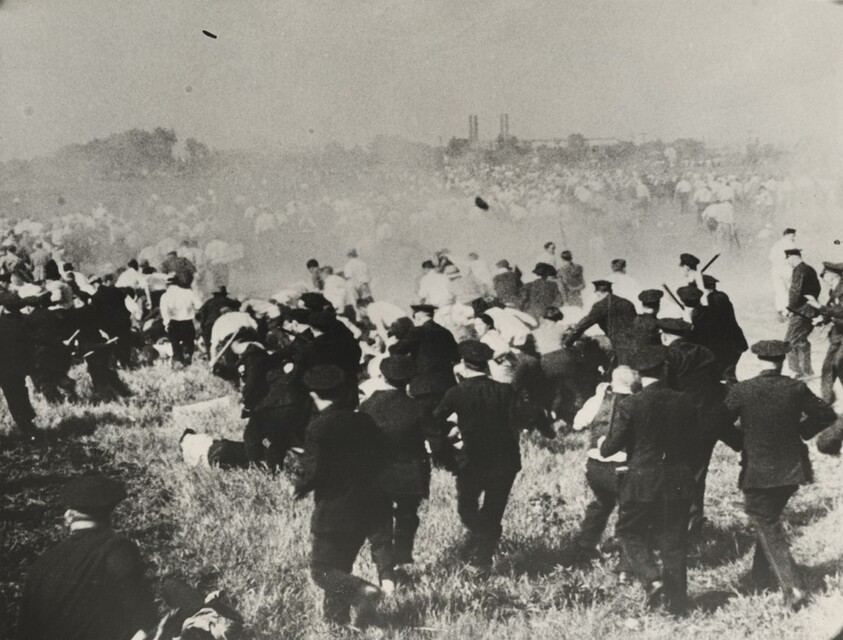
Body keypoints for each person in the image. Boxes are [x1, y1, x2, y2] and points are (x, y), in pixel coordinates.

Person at [723, 340, 836, 610]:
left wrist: (739, 441)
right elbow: (826, 414)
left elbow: (718, 422)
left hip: (758, 471)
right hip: (792, 471)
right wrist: (802, 432)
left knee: (766, 521)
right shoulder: (796, 388)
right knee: (768, 517)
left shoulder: (742, 390)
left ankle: (793, 586)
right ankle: (761, 577)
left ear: (759, 360)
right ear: (782, 360)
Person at [600, 345, 697, 614]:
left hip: (641, 480)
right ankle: (677, 606)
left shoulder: (631, 403)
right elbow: (694, 439)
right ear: (664, 369)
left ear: (640, 375)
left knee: (629, 532)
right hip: (678, 479)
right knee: (674, 542)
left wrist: (604, 445)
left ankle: (652, 579)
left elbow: (611, 446)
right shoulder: (685, 400)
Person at [294, 365, 387, 626]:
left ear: (314, 395)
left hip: (334, 508)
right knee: (340, 566)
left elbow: (311, 472)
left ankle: (361, 591)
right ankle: (337, 623)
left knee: (321, 570)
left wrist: (298, 485)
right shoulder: (365, 421)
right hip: (366, 506)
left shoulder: (318, 428)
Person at [19, 474, 158, 640]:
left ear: (68, 516)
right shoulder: (117, 548)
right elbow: (143, 617)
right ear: (109, 515)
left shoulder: (40, 565)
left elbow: (25, 631)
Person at [433, 340, 521, 573]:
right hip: (505, 460)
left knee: (467, 509)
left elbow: (435, 420)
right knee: (493, 508)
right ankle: (482, 557)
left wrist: (449, 439)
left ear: (463, 364)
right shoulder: (505, 390)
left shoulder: (456, 393)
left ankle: (484, 541)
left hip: (473, 460)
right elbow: (520, 418)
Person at [359, 356, 435, 592]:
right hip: (410, 474)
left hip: (375, 474)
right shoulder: (418, 408)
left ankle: (386, 574)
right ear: (409, 381)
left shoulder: (368, 405)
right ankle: (402, 556)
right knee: (407, 516)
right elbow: (435, 438)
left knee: (379, 524)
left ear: (382, 377)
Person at [565, 366, 640, 566]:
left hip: (596, 466)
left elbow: (577, 423)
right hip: (623, 466)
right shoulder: (636, 403)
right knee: (630, 511)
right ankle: (627, 561)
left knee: (599, 505)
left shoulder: (597, 400)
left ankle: (583, 549)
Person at [234, 328, 311, 470]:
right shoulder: (286, 356)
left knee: (251, 436)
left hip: (272, 405)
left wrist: (247, 405)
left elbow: (253, 383)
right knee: (279, 440)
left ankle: (257, 467)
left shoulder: (255, 357)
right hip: (294, 404)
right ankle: (273, 470)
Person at [390, 304, 459, 417]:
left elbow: (397, 351)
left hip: (423, 387)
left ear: (418, 316)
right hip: (446, 383)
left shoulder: (417, 332)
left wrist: (392, 344)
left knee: (430, 421)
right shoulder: (445, 332)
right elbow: (456, 356)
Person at [563, 280, 637, 365]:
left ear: (598, 293)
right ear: (611, 291)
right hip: (634, 343)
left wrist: (567, 342)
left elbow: (582, 326)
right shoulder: (627, 303)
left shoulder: (600, 306)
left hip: (617, 345)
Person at [805, 261, 843, 404]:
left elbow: (841, 311)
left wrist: (819, 307)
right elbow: (831, 308)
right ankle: (825, 401)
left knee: (838, 364)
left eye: (824, 274)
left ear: (833, 275)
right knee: (829, 366)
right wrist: (822, 319)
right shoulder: (834, 290)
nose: (822, 277)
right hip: (838, 334)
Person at [701, 275, 748, 382]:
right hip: (732, 342)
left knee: (725, 375)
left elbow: (718, 322)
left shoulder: (713, 299)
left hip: (725, 344)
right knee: (726, 374)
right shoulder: (719, 296)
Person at [783, 250, 820, 378]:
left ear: (793, 258)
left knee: (789, 341)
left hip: (801, 311)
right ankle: (807, 370)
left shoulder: (799, 270)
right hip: (811, 309)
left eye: (787, 260)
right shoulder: (810, 269)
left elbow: (795, 291)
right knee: (801, 339)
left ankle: (796, 371)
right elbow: (817, 289)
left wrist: (790, 308)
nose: (788, 263)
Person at [160, 276, 198, 367]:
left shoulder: (165, 296)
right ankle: (188, 356)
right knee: (189, 342)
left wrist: (166, 324)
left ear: (167, 285)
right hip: (188, 322)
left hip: (174, 322)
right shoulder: (188, 292)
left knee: (175, 343)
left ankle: (180, 360)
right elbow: (197, 305)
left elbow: (164, 311)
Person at [768, 228, 797, 315]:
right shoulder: (791, 244)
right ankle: (789, 309)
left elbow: (770, 257)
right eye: (792, 235)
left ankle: (780, 309)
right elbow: (794, 258)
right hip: (786, 268)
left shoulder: (776, 244)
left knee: (779, 290)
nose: (794, 237)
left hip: (776, 269)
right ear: (786, 235)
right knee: (789, 289)